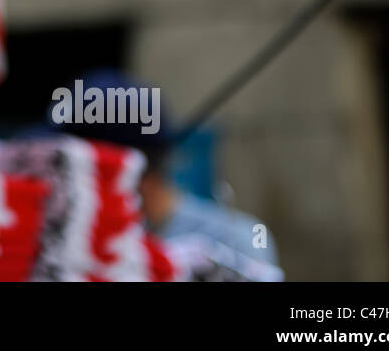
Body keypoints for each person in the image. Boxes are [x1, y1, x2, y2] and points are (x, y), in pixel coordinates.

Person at [47, 68, 279, 269]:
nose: (58, 179)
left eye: (73, 167)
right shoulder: (67, 242)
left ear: (131, 172)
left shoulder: (234, 243)